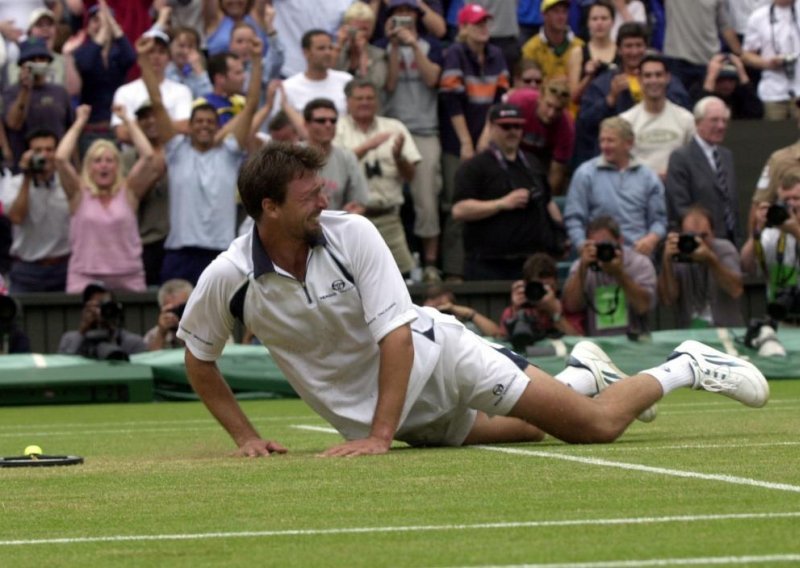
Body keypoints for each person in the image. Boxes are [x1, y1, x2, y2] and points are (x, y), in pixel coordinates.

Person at [175, 142, 769, 458]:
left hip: (445, 360)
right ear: (268, 210)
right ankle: (584, 372)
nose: (323, 200)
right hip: (409, 417)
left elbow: (396, 335)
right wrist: (245, 437)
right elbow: (200, 358)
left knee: (592, 429)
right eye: (309, 196)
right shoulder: (229, 276)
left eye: (321, 188)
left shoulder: (351, 234)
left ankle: (687, 364)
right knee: (533, 431)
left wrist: (379, 437)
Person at [138, 33, 263, 285]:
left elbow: (250, 105)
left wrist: (257, 61)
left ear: (218, 126)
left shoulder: (230, 153)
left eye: (210, 122)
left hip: (221, 253)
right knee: (175, 319)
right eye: (199, 122)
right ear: (190, 126)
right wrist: (142, 59)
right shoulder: (176, 150)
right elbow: (157, 103)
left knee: (222, 323)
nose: (204, 126)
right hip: (180, 252)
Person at [452, 103, 565, 280]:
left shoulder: (532, 164)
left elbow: (548, 201)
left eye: (518, 126)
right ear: (491, 127)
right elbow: (459, 210)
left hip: (530, 264)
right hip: (488, 264)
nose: (512, 131)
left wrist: (560, 234)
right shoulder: (474, 166)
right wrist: (502, 203)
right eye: (505, 126)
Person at [55, 104, 161, 294]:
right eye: (97, 161)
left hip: (128, 276)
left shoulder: (129, 191)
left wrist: (127, 119)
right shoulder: (78, 192)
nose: (104, 166)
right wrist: (80, 122)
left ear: (117, 165)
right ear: (89, 167)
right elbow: (61, 158)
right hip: (84, 277)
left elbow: (148, 156)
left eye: (109, 160)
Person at [439, 3, 509, 279]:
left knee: (488, 203)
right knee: (458, 205)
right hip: (456, 144)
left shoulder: (497, 54)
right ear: (464, 28)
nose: (483, 28)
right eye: (477, 24)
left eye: (485, 23)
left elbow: (500, 97)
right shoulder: (455, 53)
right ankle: (454, 272)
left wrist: (484, 137)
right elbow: (450, 99)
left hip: (488, 142)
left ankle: (484, 268)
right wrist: (467, 142)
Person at [381, 0, 444, 282]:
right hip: (392, 128)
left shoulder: (432, 47)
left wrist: (414, 45)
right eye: (397, 13)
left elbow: (432, 79)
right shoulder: (384, 49)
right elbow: (390, 84)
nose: (402, 17)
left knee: (427, 197)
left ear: (417, 17)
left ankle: (430, 262)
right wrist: (395, 46)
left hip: (425, 130)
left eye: (407, 13)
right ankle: (393, 260)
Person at [333, 79, 421, 274]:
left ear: (378, 101)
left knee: (403, 275)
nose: (365, 102)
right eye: (359, 98)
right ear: (348, 102)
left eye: (370, 98)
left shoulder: (394, 127)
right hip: (349, 221)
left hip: (387, 216)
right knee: (349, 275)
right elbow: (334, 168)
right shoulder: (336, 128)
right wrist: (367, 147)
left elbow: (411, 176)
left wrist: (399, 158)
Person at [575, 22, 690, 167]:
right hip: (617, 161)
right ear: (619, 50)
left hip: (660, 149)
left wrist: (655, 92)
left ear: (646, 48)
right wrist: (610, 99)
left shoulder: (663, 78)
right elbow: (585, 122)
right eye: (628, 46)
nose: (634, 51)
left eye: (639, 45)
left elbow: (684, 107)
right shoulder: (603, 83)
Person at [564, 116, 666, 256]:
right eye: (602, 140)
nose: (604, 146)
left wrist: (651, 239)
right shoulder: (585, 173)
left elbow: (659, 221)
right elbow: (574, 218)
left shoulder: (648, 177)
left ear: (628, 143)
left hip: (638, 255)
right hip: (599, 255)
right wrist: (582, 245)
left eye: (610, 141)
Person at [562, 215, 656, 338]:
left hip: (634, 344)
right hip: (598, 345)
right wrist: (583, 268)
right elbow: (571, 306)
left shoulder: (640, 264)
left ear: (620, 240)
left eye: (606, 245)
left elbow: (643, 306)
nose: (603, 251)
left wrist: (619, 274)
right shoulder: (582, 265)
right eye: (597, 246)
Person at [1, 129, 69, 293]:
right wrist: (27, 176)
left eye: (49, 150)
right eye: (37, 151)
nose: (44, 155)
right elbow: (17, 217)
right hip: (27, 269)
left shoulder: (68, 183)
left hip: (63, 267)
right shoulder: (15, 184)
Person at [665, 97, 740, 244]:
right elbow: (679, 206)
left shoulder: (726, 156)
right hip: (699, 242)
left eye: (724, 121)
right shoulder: (681, 157)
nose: (721, 126)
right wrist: (702, 234)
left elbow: (731, 201)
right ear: (698, 122)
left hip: (730, 240)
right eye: (714, 120)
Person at [658, 206, 744, 329]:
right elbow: (667, 299)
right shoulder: (677, 252)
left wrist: (711, 259)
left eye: (704, 236)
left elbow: (736, 290)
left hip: (726, 331)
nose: (699, 242)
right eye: (692, 236)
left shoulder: (724, 249)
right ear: (681, 235)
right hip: (689, 335)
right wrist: (666, 260)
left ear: (713, 234)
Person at [70, 1, 136, 157]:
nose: (100, 25)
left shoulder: (118, 54)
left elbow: (131, 58)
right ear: (87, 25)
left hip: (117, 128)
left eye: (104, 20)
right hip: (92, 130)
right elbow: (86, 65)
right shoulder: (81, 52)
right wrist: (101, 33)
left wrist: (112, 26)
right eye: (95, 20)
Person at [619, 54, 695, 180]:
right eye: (648, 76)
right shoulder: (626, 121)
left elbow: (694, 162)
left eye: (658, 75)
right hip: (638, 193)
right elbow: (621, 164)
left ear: (667, 78)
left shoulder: (686, 119)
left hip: (677, 192)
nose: (653, 80)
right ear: (639, 79)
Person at [111, 29, 193, 145]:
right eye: (150, 52)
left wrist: (137, 126)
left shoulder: (182, 90)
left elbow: (185, 126)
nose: (156, 57)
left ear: (169, 59)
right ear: (140, 59)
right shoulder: (124, 92)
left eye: (161, 52)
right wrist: (167, 127)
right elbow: (122, 133)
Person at [3, 38, 73, 170]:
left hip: (56, 168)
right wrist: (25, 89)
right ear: (22, 65)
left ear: (48, 61)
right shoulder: (11, 92)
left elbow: (69, 131)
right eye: (32, 60)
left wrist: (74, 164)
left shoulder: (60, 92)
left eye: (41, 58)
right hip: (22, 165)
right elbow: (13, 124)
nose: (37, 63)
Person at [499, 252, 581, 350]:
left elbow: (579, 343)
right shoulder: (516, 310)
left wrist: (556, 315)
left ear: (555, 285)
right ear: (527, 286)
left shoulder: (567, 308)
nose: (542, 293)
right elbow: (503, 344)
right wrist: (516, 312)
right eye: (537, 288)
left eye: (546, 288)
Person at [507, 77, 574, 194]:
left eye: (558, 110)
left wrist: (545, 201)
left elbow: (556, 172)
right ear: (540, 98)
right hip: (512, 148)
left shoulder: (567, 127)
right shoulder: (519, 102)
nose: (551, 114)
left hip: (542, 160)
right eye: (548, 105)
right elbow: (496, 135)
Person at [303, 98, 368, 214]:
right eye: (321, 121)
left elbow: (359, 204)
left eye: (333, 121)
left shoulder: (347, 157)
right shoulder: (291, 156)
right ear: (306, 124)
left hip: (336, 226)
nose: (328, 125)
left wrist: (351, 212)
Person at [662, 0, 741, 94]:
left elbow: (724, 26)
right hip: (677, 59)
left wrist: (740, 53)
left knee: (708, 105)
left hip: (709, 61)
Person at [742, 0, 800, 121]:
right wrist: (767, 63)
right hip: (773, 91)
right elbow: (746, 55)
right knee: (774, 135)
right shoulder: (759, 16)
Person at [276, 30, 353, 119]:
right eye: (321, 48)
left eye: (330, 48)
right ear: (306, 52)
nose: (327, 53)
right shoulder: (287, 88)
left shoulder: (346, 80)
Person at [58, 281, 146, 359]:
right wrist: (82, 332)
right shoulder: (69, 339)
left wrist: (111, 330)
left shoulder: (132, 342)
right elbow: (64, 366)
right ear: (85, 310)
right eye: (96, 306)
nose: (102, 311)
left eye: (105, 306)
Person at [567, 0, 616, 106]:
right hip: (587, 112)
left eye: (604, 18)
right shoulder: (578, 53)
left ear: (612, 22)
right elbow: (573, 97)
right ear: (588, 23)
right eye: (594, 19)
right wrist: (589, 77)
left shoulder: (621, 51)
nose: (599, 23)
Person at [520, 0, 583, 83]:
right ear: (544, 15)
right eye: (556, 11)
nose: (561, 17)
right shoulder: (531, 48)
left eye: (564, 12)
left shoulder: (580, 46)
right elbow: (528, 83)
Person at [334, 2, 387, 92]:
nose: (360, 33)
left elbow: (376, 85)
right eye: (356, 29)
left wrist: (363, 53)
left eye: (365, 29)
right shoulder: (336, 51)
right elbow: (327, 75)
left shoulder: (379, 55)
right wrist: (339, 45)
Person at [692, 53, 763, 119]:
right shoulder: (700, 88)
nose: (727, 85)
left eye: (731, 80)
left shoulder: (739, 93)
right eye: (721, 80)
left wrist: (741, 72)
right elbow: (698, 115)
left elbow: (756, 113)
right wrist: (710, 78)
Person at [422, 283, 500, 337]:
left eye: (444, 310)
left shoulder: (464, 328)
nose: (441, 314)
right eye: (436, 310)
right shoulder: (419, 329)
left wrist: (469, 313)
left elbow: (496, 333)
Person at [196, 51, 247, 126]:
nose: (244, 77)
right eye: (238, 73)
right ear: (220, 78)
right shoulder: (202, 105)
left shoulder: (243, 102)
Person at [145, 278, 194, 351]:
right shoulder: (153, 335)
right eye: (172, 310)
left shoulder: (204, 331)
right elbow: (150, 359)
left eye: (181, 309)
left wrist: (186, 330)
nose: (177, 313)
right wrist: (161, 334)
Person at [165, 26, 213, 99]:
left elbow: (208, 99)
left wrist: (198, 69)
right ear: (170, 47)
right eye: (181, 46)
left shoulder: (196, 74)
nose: (186, 51)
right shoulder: (164, 71)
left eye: (190, 47)